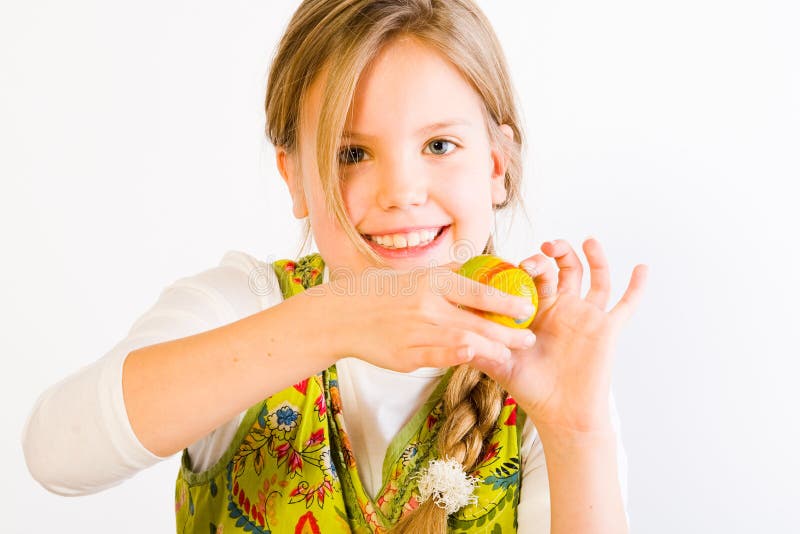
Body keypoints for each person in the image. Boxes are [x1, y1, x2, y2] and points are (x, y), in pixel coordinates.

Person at [22, 0, 648, 532]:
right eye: (352, 153)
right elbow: (55, 455)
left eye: (439, 145)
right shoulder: (244, 305)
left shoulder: (541, 361)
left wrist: (577, 433)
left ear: (496, 164)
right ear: (294, 178)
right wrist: (334, 321)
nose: (401, 191)